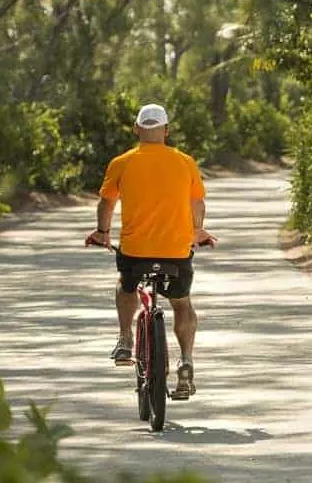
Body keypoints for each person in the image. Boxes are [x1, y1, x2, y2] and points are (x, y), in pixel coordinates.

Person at [85, 103, 217, 399]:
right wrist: (198, 231)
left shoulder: (122, 162)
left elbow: (106, 203)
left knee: (126, 285)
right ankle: (186, 363)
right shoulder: (185, 162)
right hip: (175, 251)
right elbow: (197, 203)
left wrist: (102, 233)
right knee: (181, 303)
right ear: (166, 131)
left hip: (136, 251)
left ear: (136, 129)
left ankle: (125, 338)